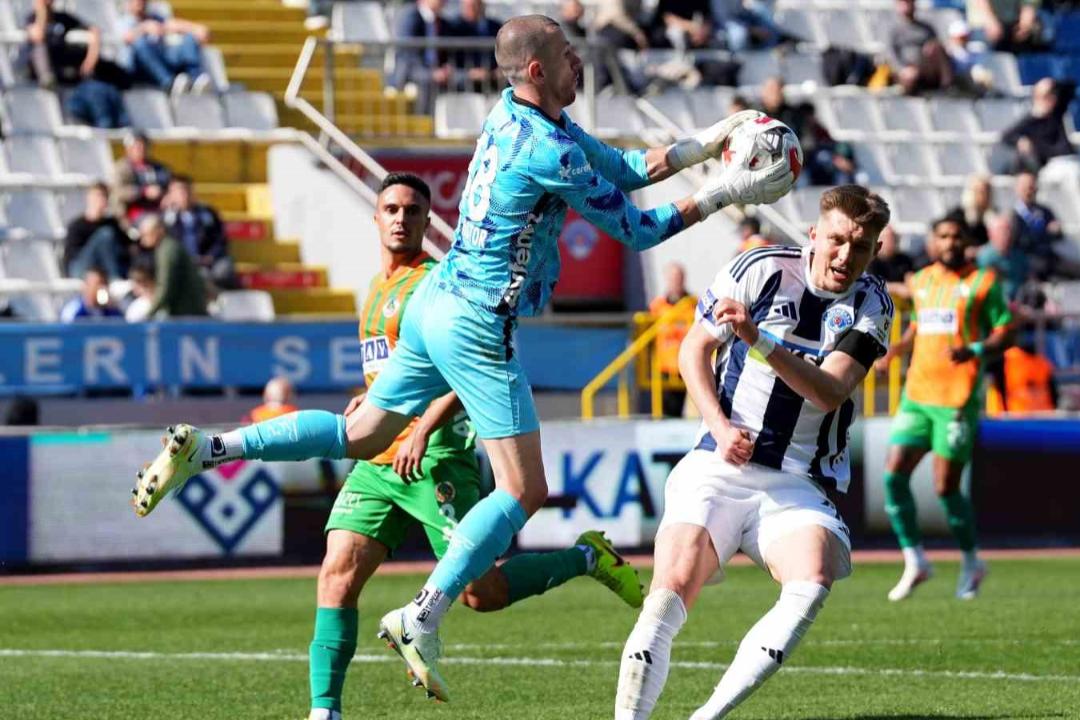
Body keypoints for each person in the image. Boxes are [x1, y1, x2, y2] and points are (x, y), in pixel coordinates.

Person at [130, 14, 794, 704]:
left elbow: (628, 168)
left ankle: (210, 447)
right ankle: (423, 613)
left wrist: (715, 139)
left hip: (434, 303)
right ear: (536, 69)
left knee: (359, 435)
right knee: (523, 491)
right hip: (479, 320)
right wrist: (729, 191)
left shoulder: (511, 116)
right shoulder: (551, 151)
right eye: (567, 55)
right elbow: (641, 226)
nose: (578, 62)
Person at [300, 174, 641, 720]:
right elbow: (392, 377)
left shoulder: (438, 284)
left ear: (427, 220)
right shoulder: (377, 288)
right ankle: (325, 712)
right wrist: (363, 408)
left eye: (413, 210)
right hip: (379, 460)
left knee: (485, 593)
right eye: (390, 208)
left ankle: (586, 557)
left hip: (435, 457)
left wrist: (422, 427)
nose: (400, 219)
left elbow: (467, 375)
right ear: (375, 217)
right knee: (336, 572)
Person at [614, 185, 894, 720]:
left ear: (876, 250)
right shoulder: (760, 268)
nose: (845, 256)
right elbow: (694, 350)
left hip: (799, 482)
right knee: (669, 590)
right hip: (719, 464)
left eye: (860, 247)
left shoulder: (872, 304)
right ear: (813, 234)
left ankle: (707, 717)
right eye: (836, 240)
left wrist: (759, 340)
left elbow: (830, 390)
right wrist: (718, 427)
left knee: (811, 582)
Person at [877, 216, 1014, 601]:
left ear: (966, 241)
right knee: (893, 475)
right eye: (943, 236)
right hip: (917, 396)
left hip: (957, 401)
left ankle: (972, 561)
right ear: (933, 242)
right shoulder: (922, 281)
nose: (950, 242)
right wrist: (896, 351)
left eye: (956, 236)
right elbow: (921, 325)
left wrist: (972, 350)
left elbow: (1007, 330)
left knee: (945, 487)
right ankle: (915, 559)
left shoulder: (983, 283)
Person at [21, 0, 129, 128]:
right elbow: (38, 35)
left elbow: (93, 30)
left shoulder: (62, 18)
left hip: (64, 70)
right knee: (39, 48)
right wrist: (42, 13)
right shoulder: (31, 18)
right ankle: (47, 77)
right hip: (39, 69)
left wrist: (91, 59)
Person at [758, 76, 855, 186]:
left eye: (778, 90)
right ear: (763, 92)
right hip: (768, 162)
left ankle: (844, 199)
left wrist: (793, 157)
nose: (775, 94)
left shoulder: (793, 115)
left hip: (797, 159)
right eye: (771, 90)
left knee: (830, 164)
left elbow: (807, 141)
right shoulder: (755, 116)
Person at [1011, 171, 1080, 281]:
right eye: (1025, 188)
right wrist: (1046, 233)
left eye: (1032, 187)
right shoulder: (1013, 215)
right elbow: (1023, 241)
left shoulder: (1045, 211)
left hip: (1049, 257)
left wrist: (1044, 234)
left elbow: (1058, 235)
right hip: (1029, 260)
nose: (1029, 191)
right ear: (1017, 189)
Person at [162, 175, 237, 289]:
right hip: (182, 263)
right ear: (170, 195)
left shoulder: (208, 214)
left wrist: (211, 256)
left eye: (186, 191)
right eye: (178, 192)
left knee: (224, 269)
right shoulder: (167, 219)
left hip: (208, 260)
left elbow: (220, 239)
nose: (183, 196)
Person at [117, 0, 209, 93]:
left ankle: (195, 77)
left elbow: (172, 24)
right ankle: (169, 83)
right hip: (141, 70)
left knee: (189, 38)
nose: (140, 3)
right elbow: (125, 38)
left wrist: (194, 29)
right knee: (141, 44)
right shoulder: (124, 21)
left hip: (163, 60)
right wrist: (143, 28)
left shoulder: (155, 18)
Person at [993, 78, 1075, 175]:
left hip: (1065, 161)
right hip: (1046, 168)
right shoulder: (1029, 122)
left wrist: (1049, 84)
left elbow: (1071, 86)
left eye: (1052, 95)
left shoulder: (1058, 112)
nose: (1051, 99)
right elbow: (1006, 136)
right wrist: (1020, 141)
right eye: (1045, 97)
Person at [135, 213, 207, 319]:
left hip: (186, 313)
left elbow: (165, 286)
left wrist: (149, 314)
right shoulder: (167, 247)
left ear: (159, 231)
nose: (142, 240)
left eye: (145, 234)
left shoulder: (167, 251)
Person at [648, 262, 695, 417]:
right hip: (664, 366)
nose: (676, 282)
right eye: (672, 278)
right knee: (664, 410)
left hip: (686, 364)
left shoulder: (693, 304)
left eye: (678, 278)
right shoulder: (657, 306)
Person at [391, 0, 453, 114]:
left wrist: (446, 69)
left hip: (433, 72)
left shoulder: (443, 24)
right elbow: (408, 55)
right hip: (410, 72)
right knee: (426, 82)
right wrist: (432, 74)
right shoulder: (409, 17)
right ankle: (424, 125)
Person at [63, 182, 131, 281]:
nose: (102, 200)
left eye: (105, 196)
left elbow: (127, 246)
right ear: (89, 198)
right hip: (81, 268)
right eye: (98, 196)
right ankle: (115, 278)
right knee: (105, 235)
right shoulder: (77, 226)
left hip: (102, 268)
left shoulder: (112, 223)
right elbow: (73, 256)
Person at [890, 0, 953, 95]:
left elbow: (937, 47)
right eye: (902, 3)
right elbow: (890, 53)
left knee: (937, 47)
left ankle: (947, 87)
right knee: (910, 81)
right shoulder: (894, 30)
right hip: (906, 72)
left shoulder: (926, 28)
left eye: (908, 2)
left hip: (925, 68)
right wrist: (902, 69)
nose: (906, 6)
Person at [986, 333, 1056, 415]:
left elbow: (1053, 392)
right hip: (1010, 418)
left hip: (1038, 417)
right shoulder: (1005, 361)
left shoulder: (1043, 363)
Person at [445, 0, 503, 92]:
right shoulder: (454, 27)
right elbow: (449, 59)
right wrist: (470, 73)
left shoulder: (495, 26)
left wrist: (499, 69)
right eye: (467, 6)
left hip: (492, 75)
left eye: (474, 5)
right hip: (464, 76)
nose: (470, 9)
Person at [113, 133, 173, 220]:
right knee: (152, 223)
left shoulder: (159, 168)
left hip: (160, 210)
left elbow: (171, 184)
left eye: (145, 146)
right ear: (128, 149)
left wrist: (168, 196)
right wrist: (144, 192)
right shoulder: (121, 168)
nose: (142, 150)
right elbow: (118, 191)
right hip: (133, 213)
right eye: (138, 147)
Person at [976, 213, 1029, 304]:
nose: (1006, 234)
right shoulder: (984, 257)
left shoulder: (1019, 256)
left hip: (1019, 303)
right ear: (991, 233)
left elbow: (1027, 280)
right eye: (1002, 230)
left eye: (1009, 230)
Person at [968, 0, 1044, 52]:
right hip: (985, 24)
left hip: (1015, 24)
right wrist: (990, 20)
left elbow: (1029, 5)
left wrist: (1026, 20)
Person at [945, 174, 997, 249]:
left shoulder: (994, 216)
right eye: (980, 191)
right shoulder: (958, 216)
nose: (984, 195)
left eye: (987, 191)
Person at [867, 224, 913, 300]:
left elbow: (911, 278)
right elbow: (871, 285)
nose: (890, 241)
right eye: (886, 238)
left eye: (892, 238)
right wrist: (896, 288)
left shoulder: (904, 260)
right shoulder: (870, 261)